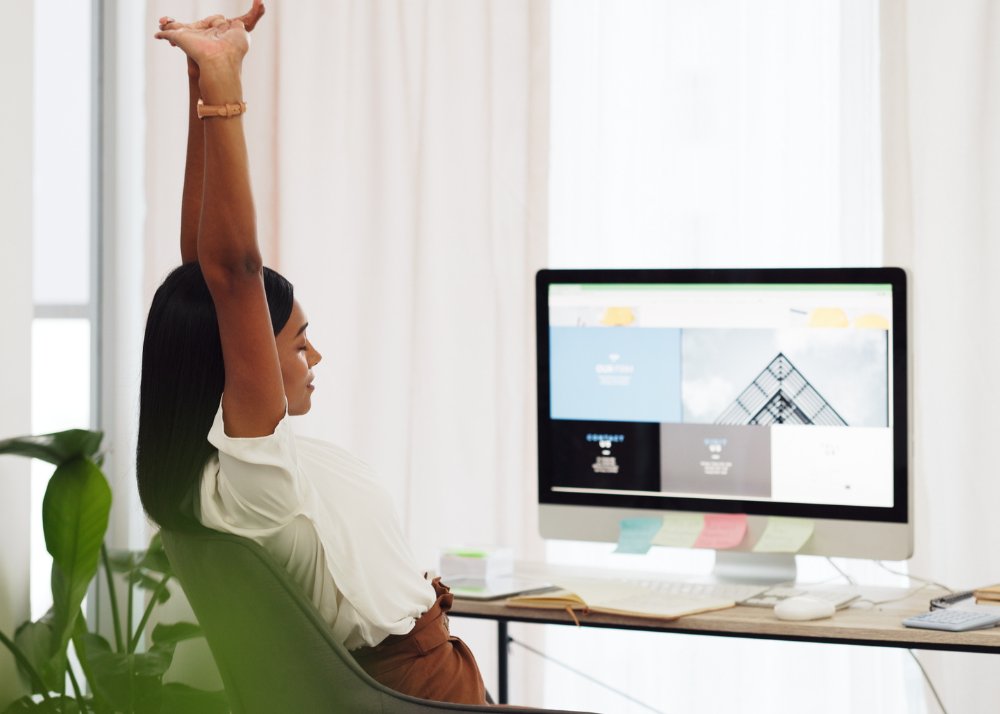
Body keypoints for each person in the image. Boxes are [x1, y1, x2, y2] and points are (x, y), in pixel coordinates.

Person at [138, 3, 491, 705]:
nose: (316, 357)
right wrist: (226, 88)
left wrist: (198, 82)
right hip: (421, 691)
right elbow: (232, 272)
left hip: (405, 683)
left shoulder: (213, 475)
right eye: (298, 342)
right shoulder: (254, 480)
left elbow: (205, 273)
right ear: (242, 367)